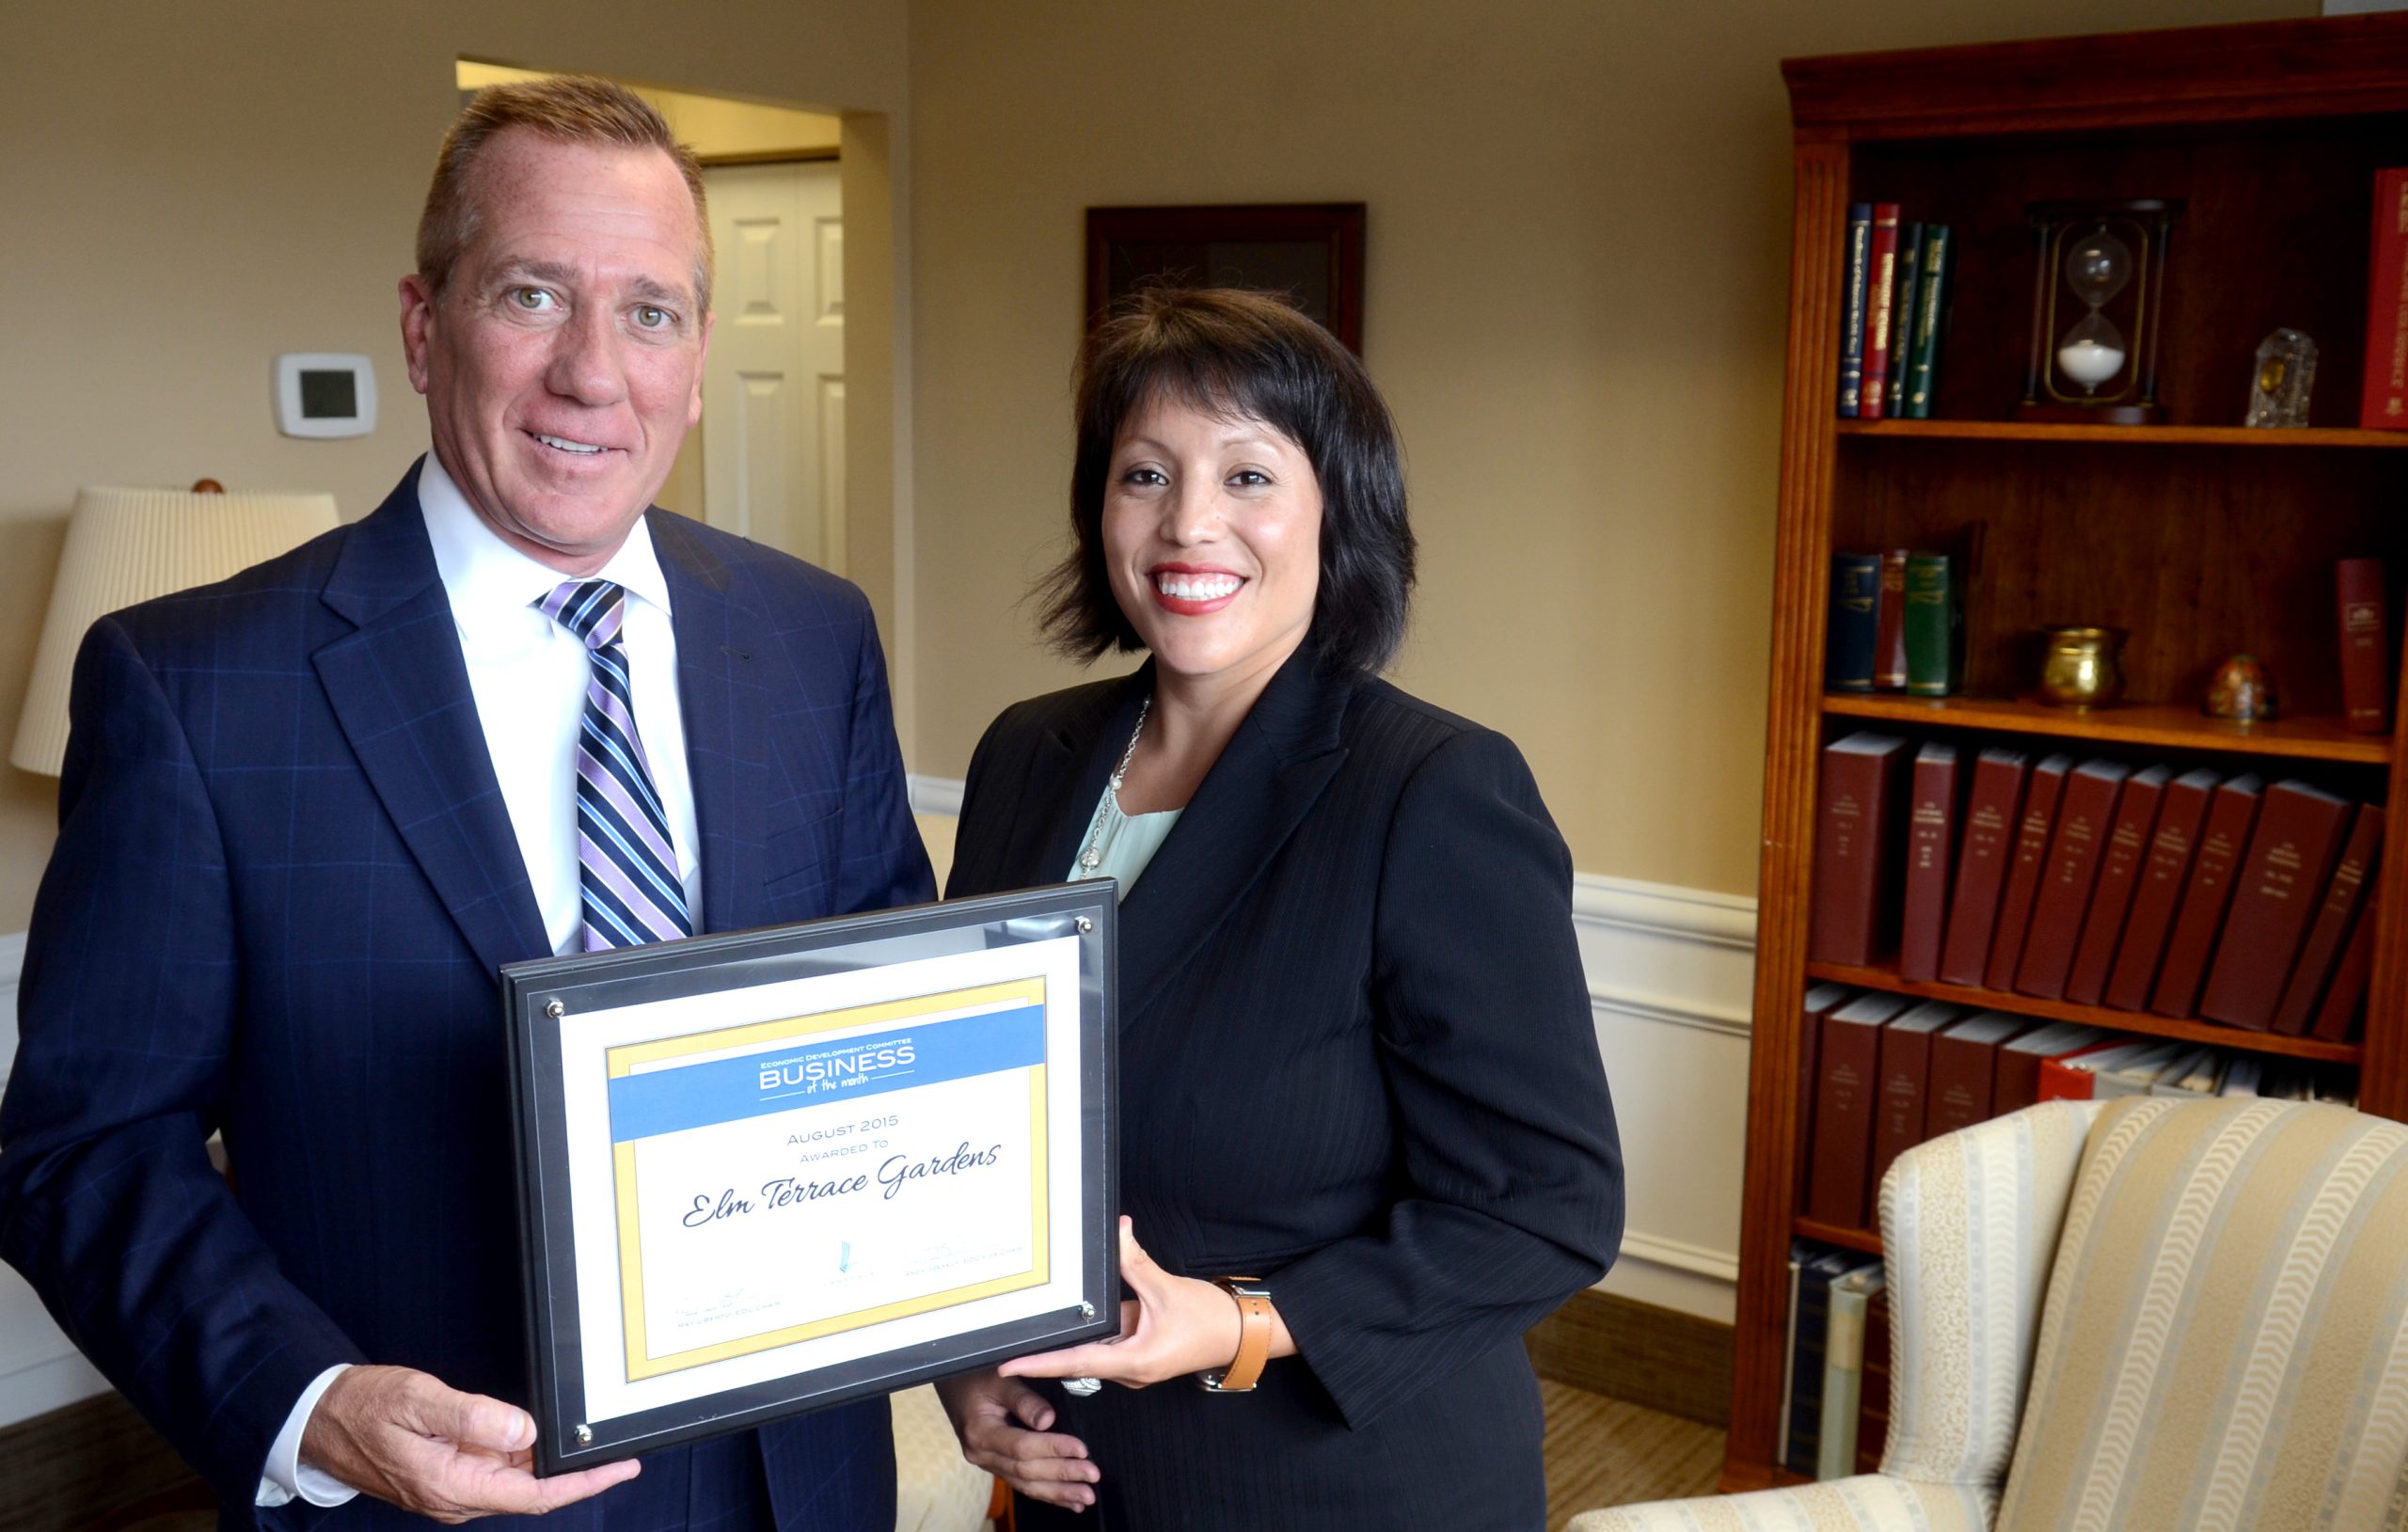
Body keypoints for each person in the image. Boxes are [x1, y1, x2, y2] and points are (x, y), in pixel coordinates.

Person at [0, 76, 930, 1529]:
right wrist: (321, 1400)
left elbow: (893, 1021)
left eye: (651, 313)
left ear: (694, 360)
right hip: (426, 1499)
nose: (592, 372)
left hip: (794, 1479)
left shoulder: (813, 635)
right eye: (532, 295)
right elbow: (82, 1149)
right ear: (425, 326)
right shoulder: (194, 688)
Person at [936, 287, 1623, 1529]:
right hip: (1081, 1479)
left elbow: (1549, 1206)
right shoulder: (1026, 757)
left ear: (1334, 512)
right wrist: (964, 1365)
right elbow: (963, 1109)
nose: (1190, 522)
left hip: (1336, 1482)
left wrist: (1246, 1320)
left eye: (1249, 475)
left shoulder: (1430, 790)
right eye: (1145, 474)